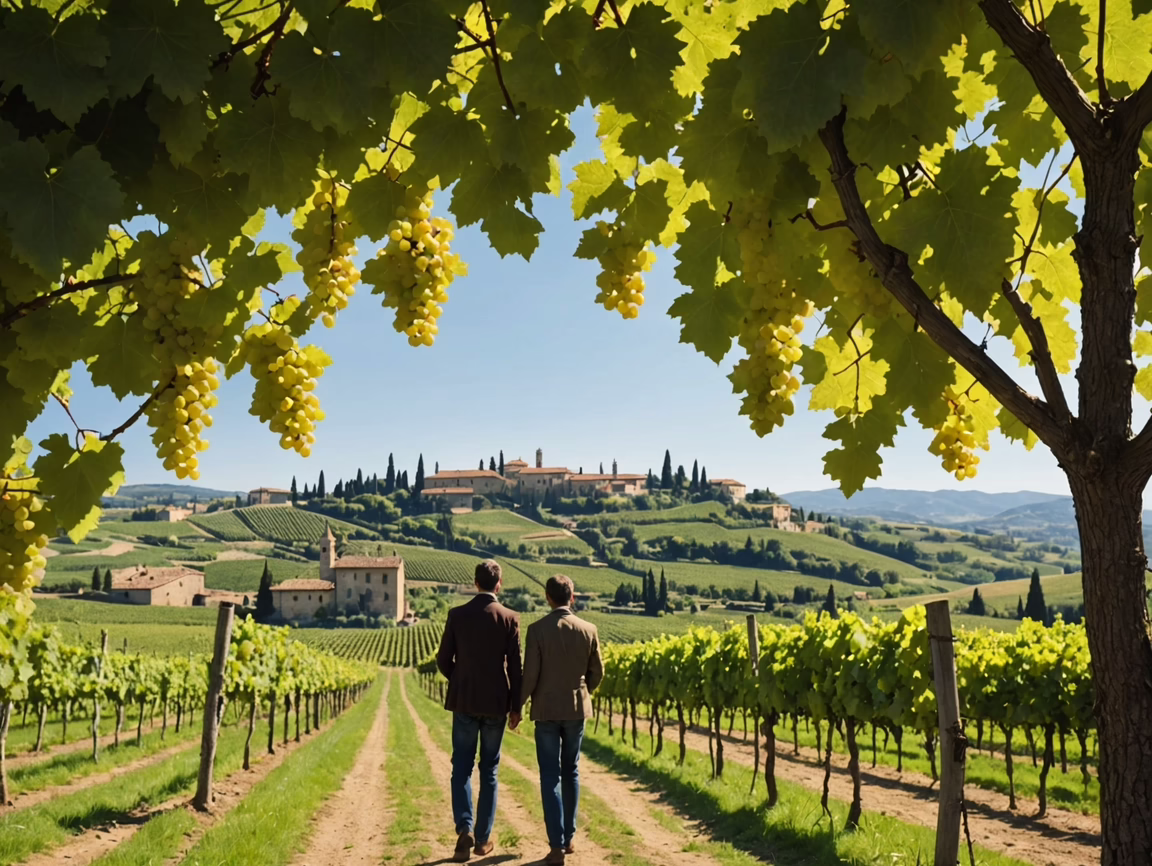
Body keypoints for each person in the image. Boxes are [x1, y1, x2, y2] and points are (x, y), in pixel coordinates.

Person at [436, 560, 523, 862]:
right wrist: (516, 706)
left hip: (464, 701)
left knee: (461, 766)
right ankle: (483, 840)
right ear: (499, 584)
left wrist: (460, 680)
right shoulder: (510, 618)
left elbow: (443, 660)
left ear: (475, 582)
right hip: (496, 703)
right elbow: (515, 668)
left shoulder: (457, 615)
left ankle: (464, 828)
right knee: (490, 770)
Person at [520, 575, 603, 865]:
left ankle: (555, 845)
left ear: (548, 597)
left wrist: (518, 706)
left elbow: (530, 674)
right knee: (571, 771)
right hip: (576, 709)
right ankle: (569, 838)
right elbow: (597, 672)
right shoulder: (589, 629)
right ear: (572, 597)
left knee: (549, 776)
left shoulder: (537, 630)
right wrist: (583, 693)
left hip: (546, 711)